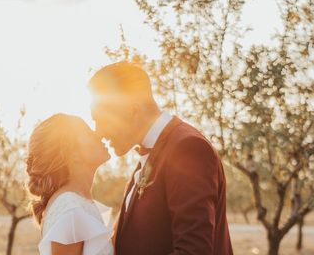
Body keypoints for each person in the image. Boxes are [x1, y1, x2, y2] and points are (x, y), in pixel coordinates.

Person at [89, 60, 234, 255]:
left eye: (102, 120)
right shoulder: (152, 152)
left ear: (132, 110)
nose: (99, 132)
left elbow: (194, 250)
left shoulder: (187, 148)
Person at [26, 113, 114, 255]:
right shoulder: (71, 209)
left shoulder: (76, 203)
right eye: (88, 133)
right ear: (72, 153)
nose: (99, 134)